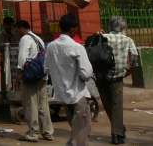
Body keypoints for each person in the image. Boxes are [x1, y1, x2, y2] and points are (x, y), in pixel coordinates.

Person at [45, 13, 93, 146]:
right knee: (82, 132)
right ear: (73, 29)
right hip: (78, 94)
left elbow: (46, 67)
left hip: (62, 95)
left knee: (76, 129)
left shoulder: (50, 46)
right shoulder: (77, 47)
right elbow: (86, 72)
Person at [100, 16, 139, 144]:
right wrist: (127, 71)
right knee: (117, 105)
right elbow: (134, 58)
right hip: (117, 76)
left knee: (107, 104)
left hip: (101, 76)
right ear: (123, 27)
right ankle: (117, 133)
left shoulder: (102, 37)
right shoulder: (127, 40)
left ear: (110, 26)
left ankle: (118, 130)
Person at [15, 20, 53, 142]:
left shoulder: (25, 38)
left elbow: (22, 58)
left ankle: (33, 133)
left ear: (21, 28)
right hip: (42, 75)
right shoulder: (38, 38)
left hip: (30, 76)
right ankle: (47, 132)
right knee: (43, 105)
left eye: (17, 29)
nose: (17, 32)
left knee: (31, 104)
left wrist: (19, 74)